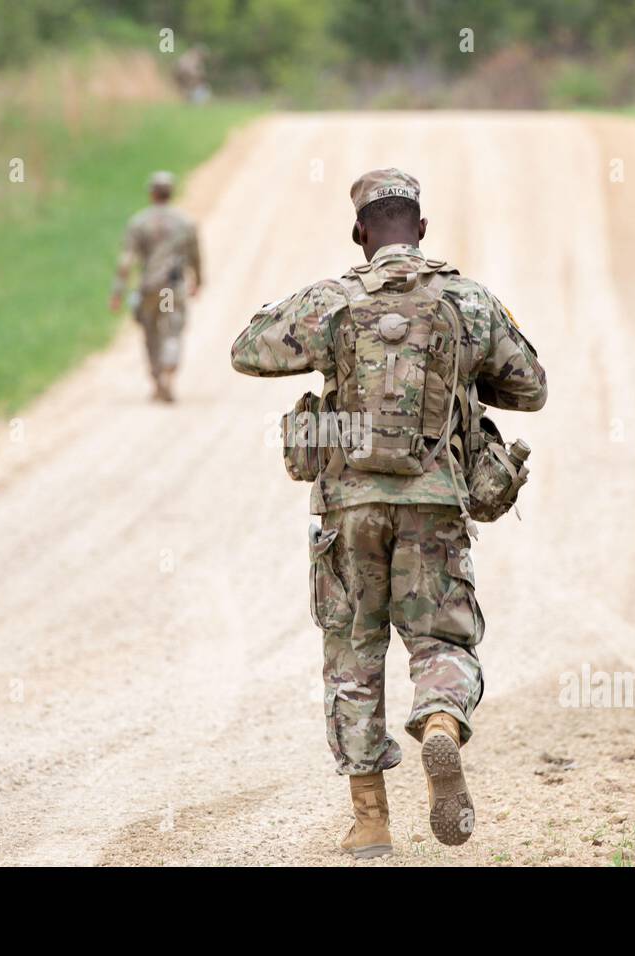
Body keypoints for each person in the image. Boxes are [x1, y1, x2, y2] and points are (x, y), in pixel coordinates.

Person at [229, 168, 548, 858]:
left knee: (352, 653)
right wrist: (463, 369)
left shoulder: (333, 300)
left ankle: (371, 821)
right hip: (434, 503)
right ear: (423, 229)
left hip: (349, 507)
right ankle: (438, 721)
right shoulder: (468, 300)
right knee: (441, 641)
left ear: (360, 233)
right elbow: (530, 389)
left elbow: (247, 352)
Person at [110, 171, 202, 402]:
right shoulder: (185, 222)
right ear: (171, 193)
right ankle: (169, 377)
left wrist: (117, 292)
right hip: (171, 289)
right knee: (172, 330)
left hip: (149, 288)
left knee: (151, 332)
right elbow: (195, 257)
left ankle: (157, 378)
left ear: (152, 193)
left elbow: (126, 261)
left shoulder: (139, 222)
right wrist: (198, 281)